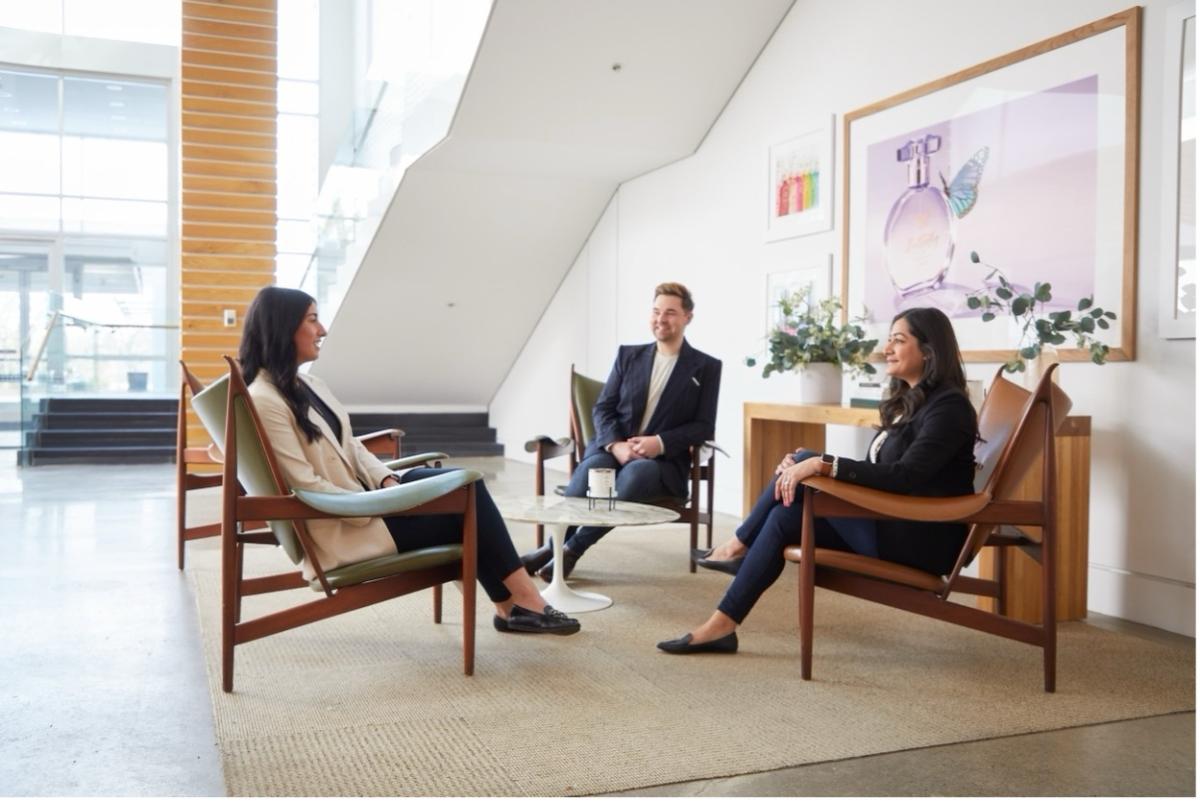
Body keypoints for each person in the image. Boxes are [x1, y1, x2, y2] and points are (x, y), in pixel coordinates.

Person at [238, 285, 580, 636]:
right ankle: (520, 600)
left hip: (367, 502)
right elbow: (304, 485)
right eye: (313, 320)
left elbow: (351, 446)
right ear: (283, 327)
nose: (323, 330)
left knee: (466, 482)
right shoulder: (265, 400)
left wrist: (387, 481)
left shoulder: (305, 384)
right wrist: (379, 503)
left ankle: (513, 602)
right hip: (346, 527)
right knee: (466, 508)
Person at [658, 307, 977, 655]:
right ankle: (721, 624)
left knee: (805, 464)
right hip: (893, 521)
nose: (887, 348)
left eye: (898, 341)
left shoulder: (949, 408)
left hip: (919, 537)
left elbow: (904, 477)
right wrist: (814, 463)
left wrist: (821, 466)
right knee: (787, 509)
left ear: (929, 351)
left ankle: (736, 547)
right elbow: (886, 472)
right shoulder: (916, 402)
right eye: (889, 340)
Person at [520, 282, 722, 581]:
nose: (660, 319)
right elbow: (604, 408)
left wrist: (660, 443)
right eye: (655, 312)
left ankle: (570, 549)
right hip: (614, 450)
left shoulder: (706, 367)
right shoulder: (628, 356)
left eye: (670, 313)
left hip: (662, 464)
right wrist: (615, 445)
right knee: (591, 472)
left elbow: (704, 425)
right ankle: (554, 548)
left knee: (636, 476)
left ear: (687, 318)